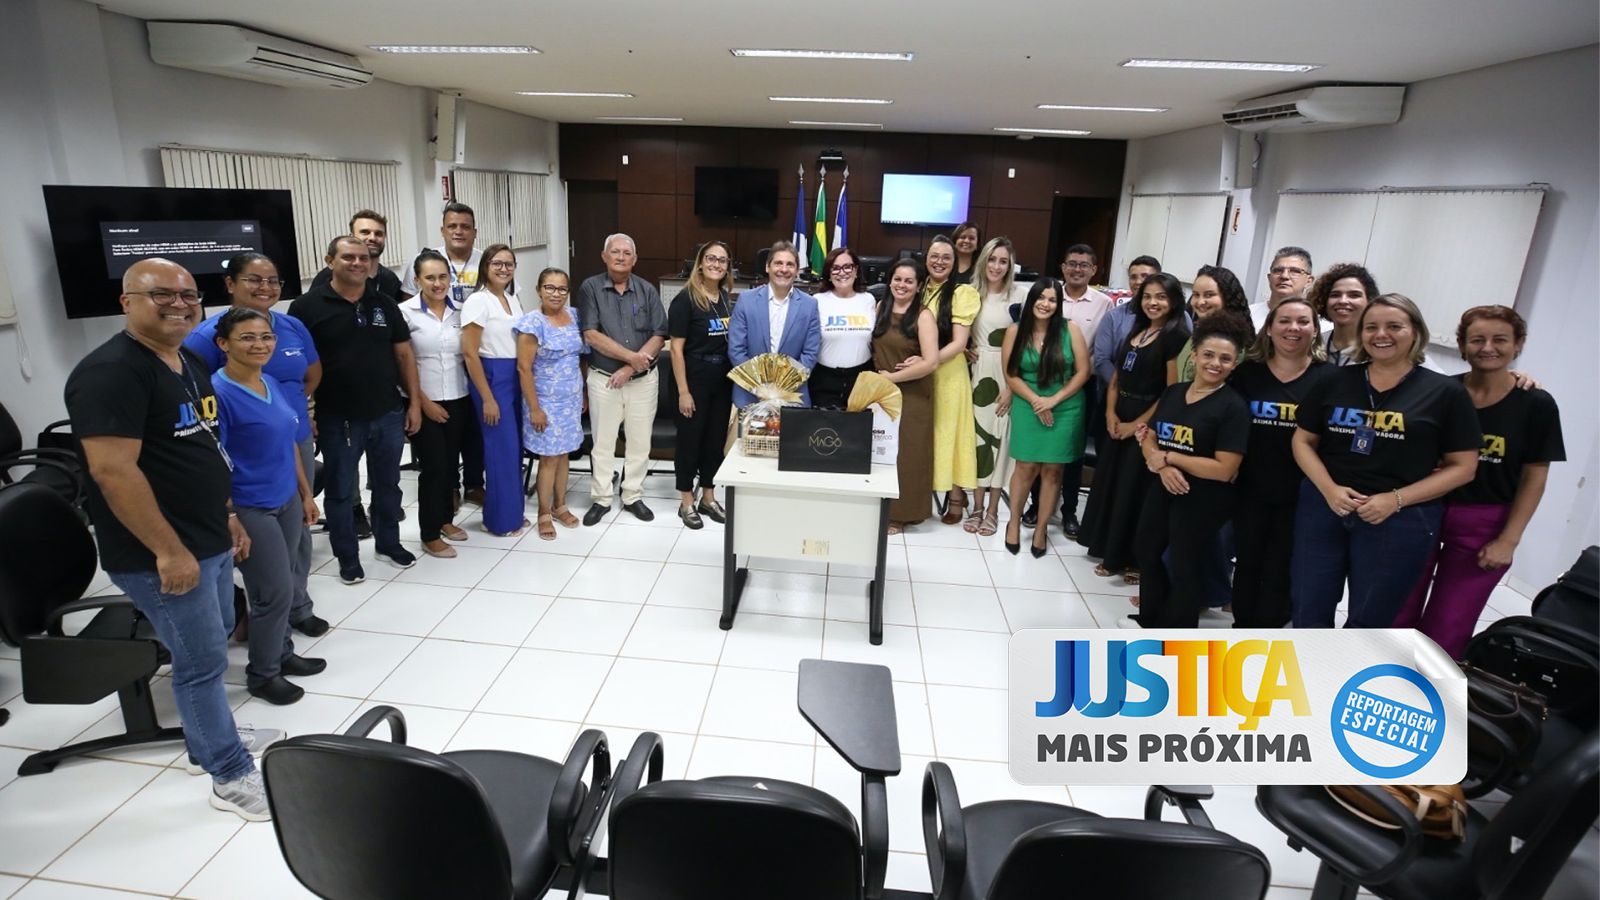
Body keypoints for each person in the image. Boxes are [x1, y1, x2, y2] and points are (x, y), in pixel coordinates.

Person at [65, 258, 283, 821]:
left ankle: (207, 738)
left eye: (188, 294)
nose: (179, 303)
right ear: (126, 301)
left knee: (208, 644)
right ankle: (228, 771)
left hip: (205, 535)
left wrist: (226, 513)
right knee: (203, 662)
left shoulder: (184, 358)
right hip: (161, 553)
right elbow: (114, 472)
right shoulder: (111, 372)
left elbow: (200, 445)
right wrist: (167, 549)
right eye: (161, 294)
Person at [1290, 294, 1481, 629]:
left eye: (1394, 326)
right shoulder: (1334, 380)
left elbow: (1464, 467)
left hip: (1401, 517)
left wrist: (1395, 500)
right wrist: (1329, 490)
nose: (1381, 335)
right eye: (1372, 327)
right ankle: (1309, 672)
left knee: (1372, 614)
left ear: (1416, 332)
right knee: (1309, 602)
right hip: (1325, 507)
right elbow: (1303, 441)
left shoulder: (1444, 392)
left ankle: (1350, 678)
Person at [1395, 306, 1565, 657]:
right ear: (1462, 346)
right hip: (1425, 509)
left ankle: (1427, 697)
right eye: (1477, 340)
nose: (1488, 347)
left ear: (1518, 345)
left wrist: (1509, 539)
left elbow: (1535, 475)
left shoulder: (1535, 404)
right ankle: (1377, 681)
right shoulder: (1442, 392)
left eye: (1500, 339)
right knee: (1397, 606)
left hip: (1483, 519)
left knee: (1449, 622)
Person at [183, 251, 326, 638]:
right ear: (230, 284)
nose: (265, 288)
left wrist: (291, 415)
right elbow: (194, 398)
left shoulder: (291, 325)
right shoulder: (205, 337)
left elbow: (310, 375)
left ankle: (297, 606)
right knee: (251, 545)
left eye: (273, 281)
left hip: (293, 442)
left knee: (298, 533)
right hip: (245, 457)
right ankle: (255, 614)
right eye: (254, 280)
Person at [209, 307, 327, 705]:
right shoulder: (219, 394)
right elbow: (213, 461)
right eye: (247, 338)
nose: (259, 345)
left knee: (290, 578)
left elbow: (290, 441)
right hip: (249, 506)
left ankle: (282, 653)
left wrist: (305, 493)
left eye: (266, 337)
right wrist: (229, 515)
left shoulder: (270, 382)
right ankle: (263, 673)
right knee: (271, 592)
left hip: (286, 498)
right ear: (223, 344)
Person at [289, 236, 422, 585]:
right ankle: (347, 556)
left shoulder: (384, 303)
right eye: (348, 257)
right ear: (329, 260)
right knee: (341, 489)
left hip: (388, 413)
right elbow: (299, 367)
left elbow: (404, 355)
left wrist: (415, 403)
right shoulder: (306, 307)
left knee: (388, 485)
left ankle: (388, 543)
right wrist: (308, 413)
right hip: (338, 417)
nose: (357, 263)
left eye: (363, 257)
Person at [1131, 313, 1254, 628]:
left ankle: (1176, 631)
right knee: (1147, 550)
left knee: (1185, 565)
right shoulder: (1174, 393)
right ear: (1195, 355)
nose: (1215, 363)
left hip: (1203, 496)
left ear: (1234, 364)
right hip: (1163, 485)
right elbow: (1150, 436)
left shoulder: (1233, 407)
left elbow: (1225, 469)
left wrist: (1170, 459)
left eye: (1225, 359)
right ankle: (1149, 618)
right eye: (1209, 355)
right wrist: (1157, 460)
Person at [1077, 272, 1189, 585]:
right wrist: (1111, 412)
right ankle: (1105, 548)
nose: (1154, 302)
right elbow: (1115, 377)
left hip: (1146, 423)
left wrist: (1137, 425)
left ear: (1173, 301)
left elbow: (1171, 391)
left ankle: (1131, 559)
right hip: (1118, 413)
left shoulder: (1175, 335)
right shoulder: (1138, 330)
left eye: (1161, 297)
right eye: (1148, 296)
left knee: (1133, 492)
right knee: (1110, 485)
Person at [1228, 297, 1331, 627]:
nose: (1293, 328)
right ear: (1269, 329)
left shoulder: (1329, 379)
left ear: (1315, 330)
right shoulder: (1246, 374)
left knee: (1282, 565)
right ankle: (1242, 627)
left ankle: (1270, 631)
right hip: (1249, 487)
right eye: (1285, 321)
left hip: (1303, 492)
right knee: (1248, 561)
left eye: (1303, 322)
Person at [576, 233, 667, 525]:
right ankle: (601, 498)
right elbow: (590, 334)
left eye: (627, 253)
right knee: (603, 442)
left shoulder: (647, 290)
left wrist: (630, 368)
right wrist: (631, 358)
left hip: (642, 381)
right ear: (604, 256)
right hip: (604, 380)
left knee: (640, 443)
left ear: (635, 259)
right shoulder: (590, 288)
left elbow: (659, 335)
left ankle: (632, 496)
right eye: (615, 252)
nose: (621, 257)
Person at [1023, 243, 1113, 534]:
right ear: (1063, 267)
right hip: (1042, 384)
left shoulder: (1104, 303)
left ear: (1094, 270)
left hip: (1080, 387)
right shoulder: (1048, 295)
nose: (1077, 269)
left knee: (1071, 453)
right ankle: (1037, 506)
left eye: (1084, 265)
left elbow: (1102, 351)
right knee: (1041, 449)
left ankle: (1069, 510)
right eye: (1072, 263)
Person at [400, 202, 486, 505]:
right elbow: (410, 312)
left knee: (473, 428)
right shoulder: (425, 261)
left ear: (475, 231)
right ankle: (448, 486)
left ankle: (475, 483)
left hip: (474, 355)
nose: (459, 231)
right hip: (434, 354)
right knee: (444, 437)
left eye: (465, 226)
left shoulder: (484, 261)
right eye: (453, 226)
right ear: (443, 230)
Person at [1002, 278, 1090, 557]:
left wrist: (1052, 400)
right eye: (1041, 298)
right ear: (1032, 301)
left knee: (1053, 471)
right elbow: (1011, 375)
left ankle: (1041, 529)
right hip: (1028, 403)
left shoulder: (1070, 330)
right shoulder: (1015, 331)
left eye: (1052, 300)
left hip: (1065, 405)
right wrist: (1037, 402)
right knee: (1025, 467)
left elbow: (1082, 372)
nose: (1046, 304)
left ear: (1058, 304)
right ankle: (1014, 522)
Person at [401, 250, 472, 559]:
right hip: (422, 401)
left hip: (459, 397)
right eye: (429, 277)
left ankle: (445, 519)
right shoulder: (404, 313)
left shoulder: (461, 312)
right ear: (417, 280)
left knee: (450, 465)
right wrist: (422, 403)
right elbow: (401, 365)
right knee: (434, 467)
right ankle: (429, 533)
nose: (437, 283)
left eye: (443, 276)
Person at [516, 267, 588, 541]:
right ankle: (544, 512)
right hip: (544, 401)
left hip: (570, 400)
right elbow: (524, 368)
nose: (556, 294)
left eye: (561, 289)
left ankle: (560, 505)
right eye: (550, 288)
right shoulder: (532, 323)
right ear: (538, 290)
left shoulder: (575, 316)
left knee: (565, 453)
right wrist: (534, 408)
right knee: (549, 458)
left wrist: (583, 393)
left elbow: (582, 357)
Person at [461, 244, 528, 537]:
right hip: (492, 377)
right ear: (485, 267)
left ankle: (512, 512)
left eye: (509, 264)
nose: (503, 268)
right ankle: (500, 521)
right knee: (501, 450)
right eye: (497, 263)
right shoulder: (478, 301)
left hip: (514, 375)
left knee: (514, 449)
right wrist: (487, 397)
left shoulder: (512, 299)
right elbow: (469, 354)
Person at [667, 241, 735, 529]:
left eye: (722, 260)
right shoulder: (685, 300)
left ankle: (708, 497)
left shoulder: (723, 298)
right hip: (692, 381)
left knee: (714, 443)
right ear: (700, 262)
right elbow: (675, 350)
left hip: (720, 382)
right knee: (689, 443)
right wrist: (683, 391)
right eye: (711, 259)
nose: (716, 264)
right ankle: (686, 502)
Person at [871, 259, 940, 533]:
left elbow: (931, 362)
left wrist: (892, 378)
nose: (902, 285)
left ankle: (903, 513)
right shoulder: (881, 308)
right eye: (898, 279)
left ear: (919, 285)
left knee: (908, 454)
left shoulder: (923, 316)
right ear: (890, 281)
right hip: (882, 394)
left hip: (912, 394)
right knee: (883, 452)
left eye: (909, 281)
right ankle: (882, 505)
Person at [964, 237, 1023, 537]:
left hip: (1007, 375)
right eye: (992, 259)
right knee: (978, 441)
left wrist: (1013, 387)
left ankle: (993, 511)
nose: (997, 266)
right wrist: (965, 349)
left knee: (1001, 443)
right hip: (977, 376)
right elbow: (957, 335)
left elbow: (1027, 346)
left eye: (1003, 261)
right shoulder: (970, 294)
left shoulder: (1020, 297)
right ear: (983, 261)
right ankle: (975, 507)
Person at [922, 235, 980, 524]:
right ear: (926, 259)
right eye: (934, 256)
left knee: (951, 434)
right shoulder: (917, 289)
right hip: (920, 375)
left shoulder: (962, 293)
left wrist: (928, 362)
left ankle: (956, 499)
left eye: (946, 257)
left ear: (955, 262)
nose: (939, 262)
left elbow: (959, 344)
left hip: (948, 374)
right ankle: (921, 493)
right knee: (926, 434)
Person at [728, 240, 822, 407]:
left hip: (792, 395)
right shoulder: (746, 300)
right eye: (778, 263)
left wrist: (783, 386)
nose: (784, 269)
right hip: (750, 395)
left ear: (796, 270)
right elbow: (736, 349)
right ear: (767, 267)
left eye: (790, 264)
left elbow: (810, 353)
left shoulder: (810, 305)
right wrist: (760, 387)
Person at [810, 246, 876, 410]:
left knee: (858, 433)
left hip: (862, 379)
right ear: (829, 274)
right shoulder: (817, 301)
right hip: (824, 380)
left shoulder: (869, 299)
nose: (842, 272)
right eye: (836, 268)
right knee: (826, 434)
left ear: (856, 270)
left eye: (848, 267)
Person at [1176, 265, 1251, 381]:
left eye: (1209, 295)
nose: (1200, 301)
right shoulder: (1201, 331)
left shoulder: (1232, 341)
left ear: (1227, 297)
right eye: (1196, 295)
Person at [308, 209, 403, 301]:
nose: (372, 238)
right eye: (365, 232)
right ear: (351, 237)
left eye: (378, 234)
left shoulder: (389, 278)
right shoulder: (330, 276)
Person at [1309, 263, 1379, 366]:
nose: (1343, 301)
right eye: (1335, 295)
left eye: (1354, 295)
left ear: (1369, 301)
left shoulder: (1377, 351)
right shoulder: (1310, 346)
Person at [1249, 246, 1315, 331]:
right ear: (1269, 278)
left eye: (1295, 271)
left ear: (1309, 281)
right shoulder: (1247, 315)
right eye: (1278, 270)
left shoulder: (1318, 324)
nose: (1284, 276)